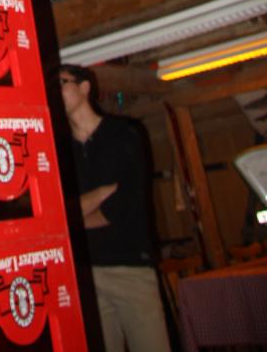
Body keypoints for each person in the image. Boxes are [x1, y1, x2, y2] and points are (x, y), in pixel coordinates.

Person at [59, 64, 172, 352]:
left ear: (84, 88)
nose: (55, 92)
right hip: (86, 274)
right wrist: (100, 194)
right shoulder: (60, 151)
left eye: (62, 82)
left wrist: (72, 217)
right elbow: (57, 215)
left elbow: (122, 209)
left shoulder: (123, 134)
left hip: (130, 269)